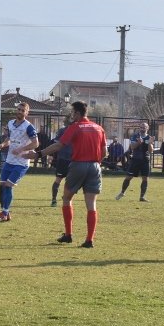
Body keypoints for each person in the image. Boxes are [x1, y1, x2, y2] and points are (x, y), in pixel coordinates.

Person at [34, 100, 107, 249]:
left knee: (66, 198)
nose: (71, 115)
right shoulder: (99, 128)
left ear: (78, 114)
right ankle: (89, 240)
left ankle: (68, 235)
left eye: (72, 112)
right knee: (91, 204)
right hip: (95, 167)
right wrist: (96, 162)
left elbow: (59, 145)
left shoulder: (75, 127)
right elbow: (105, 152)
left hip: (78, 165)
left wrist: (39, 154)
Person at [0, 102, 39, 222]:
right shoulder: (10, 123)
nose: (19, 111)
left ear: (27, 113)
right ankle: (5, 212)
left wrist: (22, 149)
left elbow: (36, 143)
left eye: (22, 110)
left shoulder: (29, 126)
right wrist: (2, 145)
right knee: (2, 185)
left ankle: (4, 213)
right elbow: (9, 139)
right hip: (9, 161)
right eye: (18, 109)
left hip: (21, 162)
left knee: (8, 186)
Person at [115, 122, 152, 202]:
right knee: (128, 177)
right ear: (139, 128)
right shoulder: (135, 136)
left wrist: (150, 143)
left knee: (145, 179)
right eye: (141, 127)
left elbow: (150, 150)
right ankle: (122, 192)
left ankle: (142, 197)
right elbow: (132, 147)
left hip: (145, 160)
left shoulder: (149, 137)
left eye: (144, 127)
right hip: (135, 160)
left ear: (147, 128)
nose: (142, 128)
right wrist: (138, 143)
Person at [49, 119, 73, 207]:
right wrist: (51, 155)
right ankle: (54, 199)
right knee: (61, 180)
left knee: (67, 181)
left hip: (70, 160)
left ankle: (62, 198)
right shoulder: (63, 131)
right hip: (64, 159)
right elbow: (55, 144)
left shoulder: (77, 130)